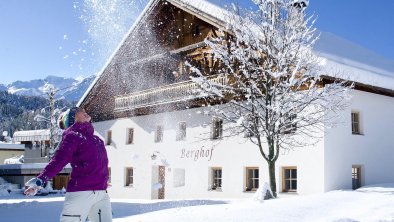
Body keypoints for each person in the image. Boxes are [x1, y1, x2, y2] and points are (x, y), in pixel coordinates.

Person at [24, 107, 112, 222]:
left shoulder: (96, 139)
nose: (83, 110)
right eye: (78, 110)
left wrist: (102, 179)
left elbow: (99, 163)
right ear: (73, 119)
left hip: (101, 193)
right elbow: (58, 161)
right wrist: (40, 181)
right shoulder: (72, 136)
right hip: (81, 192)